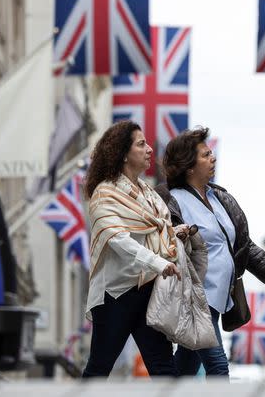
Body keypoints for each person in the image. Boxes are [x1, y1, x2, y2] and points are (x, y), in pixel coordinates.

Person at [157, 127, 265, 378]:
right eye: (205, 155)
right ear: (189, 167)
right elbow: (162, 247)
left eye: (211, 153)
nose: (212, 158)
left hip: (219, 297)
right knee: (218, 366)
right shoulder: (172, 201)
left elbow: (246, 249)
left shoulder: (220, 198)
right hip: (195, 298)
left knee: (184, 369)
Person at [81, 120, 186, 378]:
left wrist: (175, 233)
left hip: (148, 291)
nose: (150, 149)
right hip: (115, 295)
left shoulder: (149, 194)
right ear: (123, 153)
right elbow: (118, 240)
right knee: (99, 368)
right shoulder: (104, 193)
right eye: (141, 144)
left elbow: (157, 229)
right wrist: (159, 263)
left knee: (164, 369)